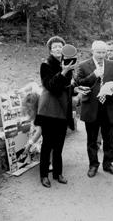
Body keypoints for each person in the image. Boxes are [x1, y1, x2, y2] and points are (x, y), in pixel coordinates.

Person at [75, 40, 113, 178]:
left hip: (108, 106)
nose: (101, 55)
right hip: (91, 107)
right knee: (92, 139)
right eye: (99, 52)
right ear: (92, 51)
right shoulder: (83, 65)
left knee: (108, 138)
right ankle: (93, 165)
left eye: (104, 52)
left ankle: (108, 163)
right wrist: (94, 75)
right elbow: (79, 83)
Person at [36, 36, 76, 188]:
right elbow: (51, 86)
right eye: (55, 47)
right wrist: (63, 72)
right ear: (50, 50)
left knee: (59, 144)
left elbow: (67, 87)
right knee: (47, 144)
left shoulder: (68, 63)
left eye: (60, 47)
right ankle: (44, 175)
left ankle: (58, 173)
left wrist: (75, 87)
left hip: (62, 108)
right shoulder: (45, 65)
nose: (58, 49)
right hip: (49, 109)